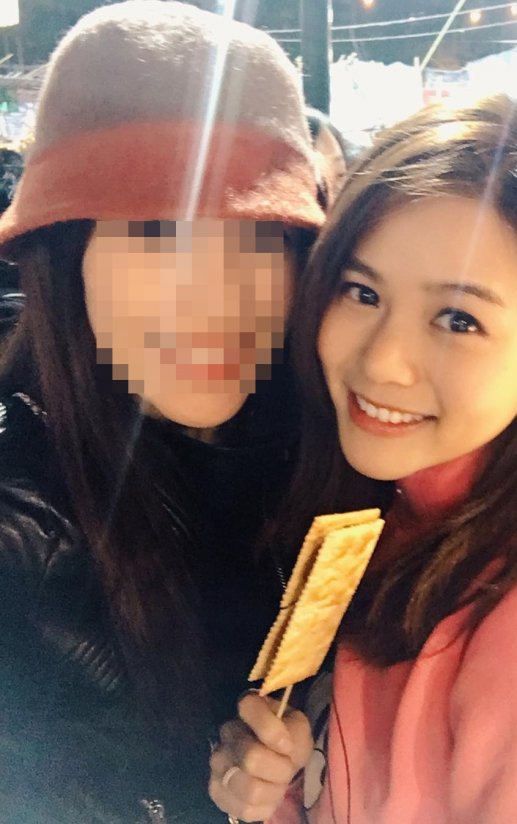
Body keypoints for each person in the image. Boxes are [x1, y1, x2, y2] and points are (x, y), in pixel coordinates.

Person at [209, 96, 517, 824]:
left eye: (458, 319)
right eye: (362, 291)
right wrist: (286, 791)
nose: (381, 362)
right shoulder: (397, 516)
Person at [0, 2, 324, 822]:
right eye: (158, 234)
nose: (216, 296)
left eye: (260, 236)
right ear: (66, 256)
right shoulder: (21, 535)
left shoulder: (322, 459)